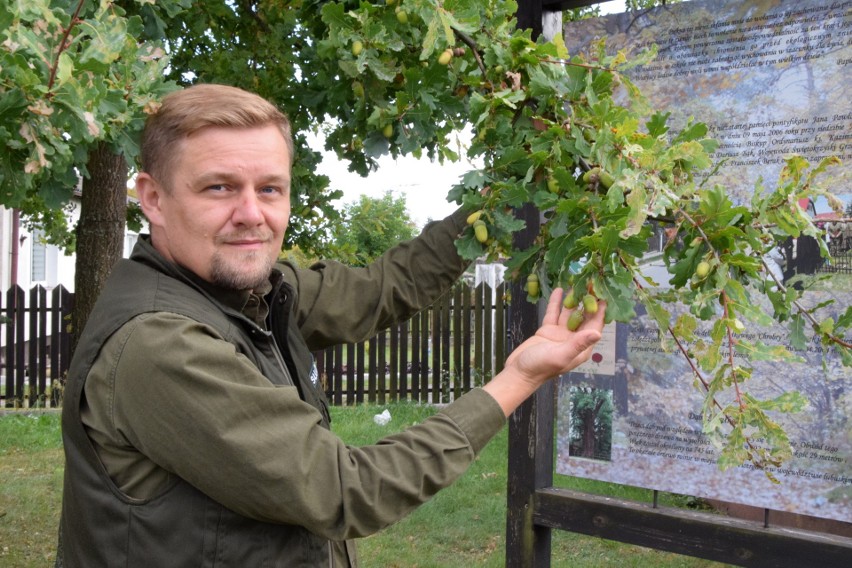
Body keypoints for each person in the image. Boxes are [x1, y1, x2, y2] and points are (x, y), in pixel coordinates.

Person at [58, 83, 605, 567]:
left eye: (270, 188)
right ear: (152, 198)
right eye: (219, 188)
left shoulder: (253, 291)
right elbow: (345, 490)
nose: (252, 213)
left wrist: (500, 190)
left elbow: (383, 289)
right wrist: (518, 379)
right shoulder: (159, 344)